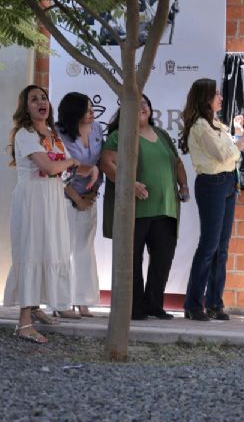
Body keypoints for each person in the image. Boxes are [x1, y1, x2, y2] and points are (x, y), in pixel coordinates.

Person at [3, 85, 96, 344]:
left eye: (43, 98)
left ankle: (34, 307)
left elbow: (66, 169)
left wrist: (90, 169)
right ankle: (24, 324)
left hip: (53, 198)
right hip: (33, 199)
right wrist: (72, 163)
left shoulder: (52, 134)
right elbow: (49, 166)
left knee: (49, 250)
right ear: (26, 107)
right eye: (34, 100)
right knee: (31, 251)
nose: (41, 102)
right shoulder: (25, 134)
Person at [180, 78, 244, 321]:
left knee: (221, 248)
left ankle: (215, 302)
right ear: (205, 97)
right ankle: (194, 304)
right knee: (209, 245)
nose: (220, 97)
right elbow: (222, 154)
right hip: (212, 184)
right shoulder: (199, 126)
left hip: (227, 182)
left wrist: (237, 133)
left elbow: (230, 156)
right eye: (216, 93)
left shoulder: (215, 123)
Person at [101, 94, 188, 320]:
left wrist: (184, 186)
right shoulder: (119, 136)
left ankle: (154, 304)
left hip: (166, 208)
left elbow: (177, 162)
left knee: (162, 259)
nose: (142, 106)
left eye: (145, 103)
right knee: (132, 259)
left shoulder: (162, 135)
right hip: (135, 210)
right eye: (136, 103)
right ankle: (135, 307)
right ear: (125, 111)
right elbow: (107, 163)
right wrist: (130, 184)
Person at [56, 92, 103, 318]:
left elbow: (100, 161)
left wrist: (92, 193)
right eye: (86, 109)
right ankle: (61, 301)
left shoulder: (97, 130)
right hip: (65, 196)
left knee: (84, 250)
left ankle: (83, 300)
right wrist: (77, 198)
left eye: (92, 108)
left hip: (89, 196)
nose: (91, 113)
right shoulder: (59, 135)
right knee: (64, 250)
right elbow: (59, 171)